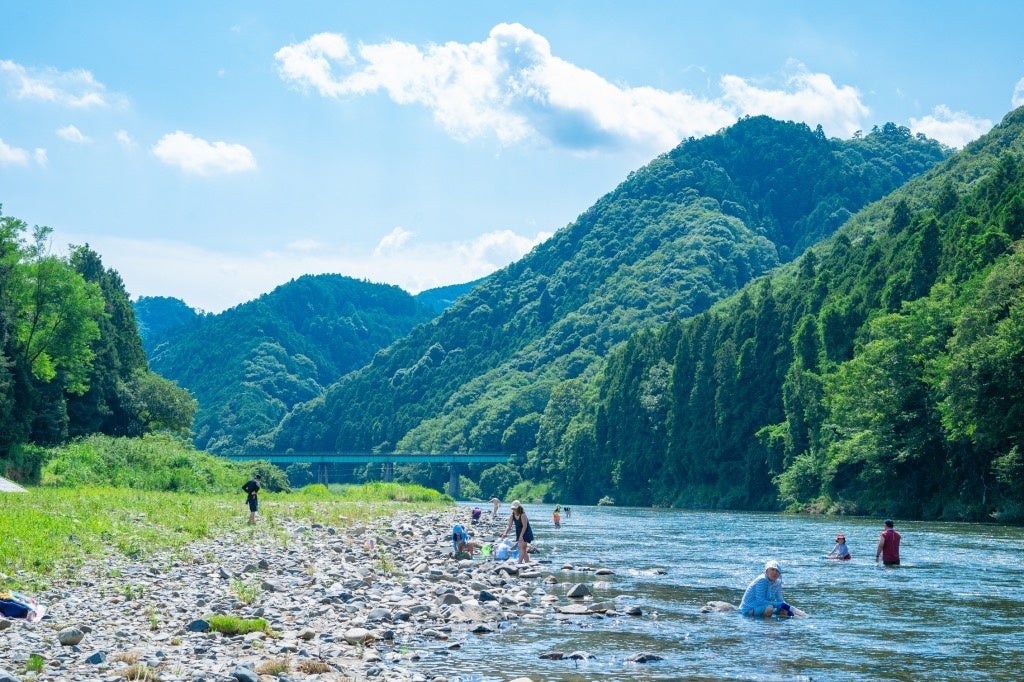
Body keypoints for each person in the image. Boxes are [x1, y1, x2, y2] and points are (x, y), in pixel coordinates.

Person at [501, 500, 533, 564]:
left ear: (519, 508)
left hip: (526, 532)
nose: (514, 510)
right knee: (523, 548)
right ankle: (527, 562)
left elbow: (525, 526)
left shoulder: (523, 515)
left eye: (515, 509)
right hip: (518, 531)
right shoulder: (512, 516)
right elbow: (509, 526)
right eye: (513, 509)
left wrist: (521, 536)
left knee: (521, 547)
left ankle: (519, 563)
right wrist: (505, 533)